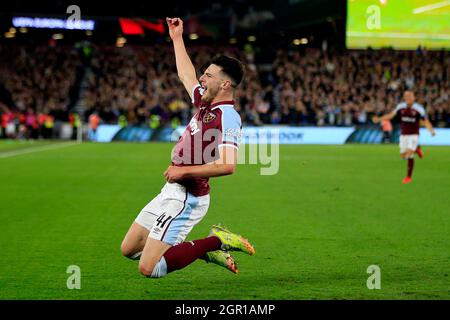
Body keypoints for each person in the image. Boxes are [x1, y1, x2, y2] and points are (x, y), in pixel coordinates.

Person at [120, 17, 255, 278]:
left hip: (188, 197)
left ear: (225, 84)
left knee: (149, 268)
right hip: (170, 190)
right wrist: (177, 37)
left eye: (208, 74)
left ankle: (215, 241)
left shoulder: (228, 117)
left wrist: (183, 172)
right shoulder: (206, 104)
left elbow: (228, 165)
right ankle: (201, 250)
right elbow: (185, 74)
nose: (202, 78)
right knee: (129, 248)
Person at [373, 91, 436, 184]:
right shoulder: (400, 107)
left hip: (414, 134)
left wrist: (431, 130)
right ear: (404, 97)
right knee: (403, 155)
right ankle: (417, 149)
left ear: (414, 97)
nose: (408, 97)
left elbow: (425, 121)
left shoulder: (419, 109)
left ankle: (408, 177)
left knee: (409, 154)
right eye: (406, 96)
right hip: (403, 134)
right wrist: (379, 119)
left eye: (410, 96)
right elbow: (391, 115)